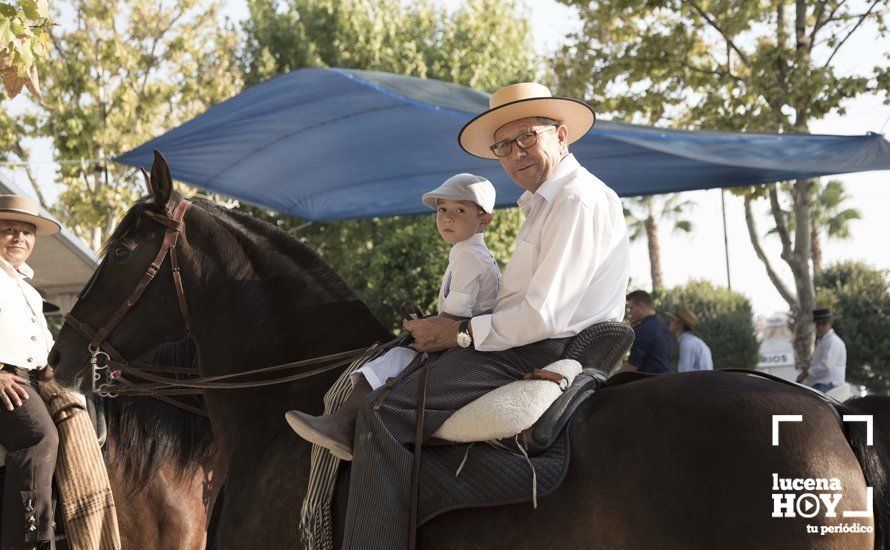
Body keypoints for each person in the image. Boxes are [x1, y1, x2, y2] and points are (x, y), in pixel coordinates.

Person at [340, 82, 629, 549]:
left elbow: (541, 315)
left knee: (383, 411)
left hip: (540, 347)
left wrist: (458, 334)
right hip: (527, 339)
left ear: (560, 134)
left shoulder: (574, 199)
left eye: (526, 139)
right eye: (503, 146)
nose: (515, 154)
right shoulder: (546, 201)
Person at [285, 174, 501, 459]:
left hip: (463, 347)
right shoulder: (466, 253)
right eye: (442, 210)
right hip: (464, 339)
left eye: (460, 210)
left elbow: (451, 321)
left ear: (485, 219)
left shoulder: (469, 257)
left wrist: (420, 327)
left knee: (392, 359)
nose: (448, 218)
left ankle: (343, 425)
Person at [0, 194, 61, 550]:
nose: (19, 238)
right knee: (40, 437)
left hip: (34, 379)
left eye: (26, 232)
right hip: (8, 382)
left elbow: (44, 353)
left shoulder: (30, 292)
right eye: (9, 229)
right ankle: (30, 539)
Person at [623, 290, 673, 374]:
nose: (630, 313)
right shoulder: (663, 326)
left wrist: (608, 380)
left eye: (631, 308)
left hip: (650, 382)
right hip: (666, 379)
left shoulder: (645, 328)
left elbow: (632, 366)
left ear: (641, 306)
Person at [798, 308, 847, 392]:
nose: (820, 327)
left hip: (830, 384)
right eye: (818, 324)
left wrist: (807, 372)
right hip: (819, 382)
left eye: (823, 324)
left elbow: (826, 366)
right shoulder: (823, 341)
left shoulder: (833, 342)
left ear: (830, 324)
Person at [668, 307, 713, 372]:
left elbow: (684, 375)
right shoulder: (693, 342)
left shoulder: (687, 344)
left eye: (672, 319)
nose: (669, 321)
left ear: (680, 323)